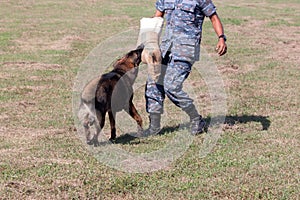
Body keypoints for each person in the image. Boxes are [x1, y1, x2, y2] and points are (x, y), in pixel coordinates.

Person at [144, 0, 227, 136]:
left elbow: (213, 17)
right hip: (165, 49)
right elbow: (157, 17)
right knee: (153, 83)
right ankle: (154, 126)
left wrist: (221, 38)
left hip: (185, 50)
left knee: (171, 86)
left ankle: (196, 118)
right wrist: (148, 39)